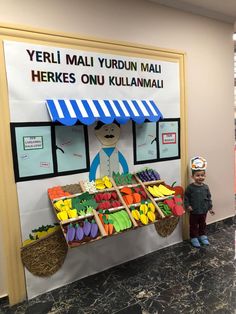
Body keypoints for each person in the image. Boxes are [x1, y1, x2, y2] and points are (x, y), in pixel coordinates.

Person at [184, 156, 215, 248]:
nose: (200, 177)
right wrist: (187, 205)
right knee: (193, 225)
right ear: (192, 176)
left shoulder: (206, 187)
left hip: (203, 210)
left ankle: (203, 236)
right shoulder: (190, 188)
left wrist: (210, 208)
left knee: (203, 224)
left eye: (202, 175)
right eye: (197, 175)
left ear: (205, 176)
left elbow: (209, 198)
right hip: (194, 211)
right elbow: (186, 197)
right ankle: (193, 237)